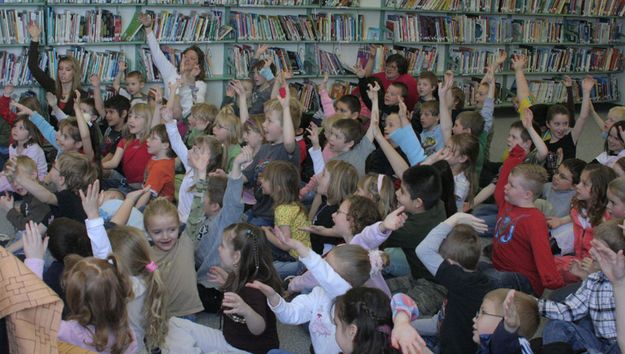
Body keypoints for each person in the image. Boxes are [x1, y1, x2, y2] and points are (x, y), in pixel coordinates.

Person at [248, 232, 386, 354]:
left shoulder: (352, 302)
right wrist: (275, 299)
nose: (322, 268)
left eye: (327, 266)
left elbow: (330, 280)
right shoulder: (319, 293)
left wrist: (302, 250)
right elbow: (290, 315)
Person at [22, 221, 137, 353]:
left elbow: (34, 314)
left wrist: (34, 260)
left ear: (73, 300)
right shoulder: (128, 335)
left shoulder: (69, 332)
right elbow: (107, 274)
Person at [80, 182, 168, 352]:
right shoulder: (147, 277)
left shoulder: (124, 288)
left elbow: (103, 253)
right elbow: (107, 255)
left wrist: (92, 215)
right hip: (139, 344)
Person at [294, 196, 406, 297]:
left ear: (352, 221)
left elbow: (312, 277)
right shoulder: (360, 246)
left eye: (338, 212)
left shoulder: (355, 249)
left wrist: (291, 285)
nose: (333, 215)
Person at [541, 219, 624, 353]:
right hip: (599, 341)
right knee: (555, 325)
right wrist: (535, 305)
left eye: (598, 249)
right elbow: (569, 310)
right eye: (592, 245)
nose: (591, 252)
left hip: (619, 347)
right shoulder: (594, 279)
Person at [416, 212, 493, 354]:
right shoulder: (472, 278)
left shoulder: (459, 281)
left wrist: (454, 218)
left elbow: (423, 250)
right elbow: (442, 319)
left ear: (450, 263)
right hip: (443, 329)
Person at [143, 198, 204, 318]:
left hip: (188, 311)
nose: (165, 236)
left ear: (179, 226)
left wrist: (202, 180)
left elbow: (197, 210)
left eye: (172, 230)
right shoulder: (147, 255)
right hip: (161, 314)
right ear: (148, 232)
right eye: (157, 232)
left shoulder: (186, 241)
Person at [139, 14, 207, 116]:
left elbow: (197, 107)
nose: (188, 60)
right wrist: (148, 28)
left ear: (198, 64)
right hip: (168, 117)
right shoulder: (171, 71)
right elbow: (156, 53)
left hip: (188, 121)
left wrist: (186, 76)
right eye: (186, 56)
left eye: (192, 58)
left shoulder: (200, 84)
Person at [259, 160, 311, 278]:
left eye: (265, 179)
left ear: (277, 188)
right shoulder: (291, 204)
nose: (261, 180)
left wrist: (266, 233)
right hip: (301, 256)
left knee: (263, 268)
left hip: (297, 260)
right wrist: (272, 233)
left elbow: (285, 245)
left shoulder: (283, 209)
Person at [27, 23, 86, 120]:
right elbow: (32, 66)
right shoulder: (52, 87)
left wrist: (55, 106)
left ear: (74, 72)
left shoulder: (81, 95)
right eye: (60, 69)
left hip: (70, 134)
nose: (63, 72)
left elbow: (76, 124)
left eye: (68, 69)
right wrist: (35, 38)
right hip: (53, 134)